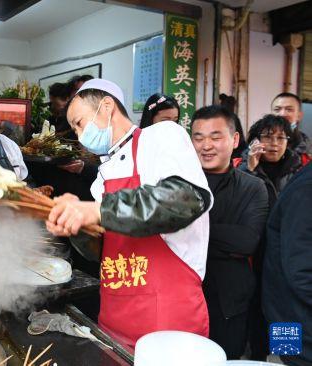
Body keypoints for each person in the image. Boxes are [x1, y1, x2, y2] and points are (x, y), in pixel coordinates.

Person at [45, 79, 213, 347]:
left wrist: (97, 210)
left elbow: (185, 201)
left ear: (107, 106)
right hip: (114, 317)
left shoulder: (161, 136)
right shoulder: (102, 176)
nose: (78, 135)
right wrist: (75, 226)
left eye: (79, 123)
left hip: (165, 322)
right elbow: (99, 251)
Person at [190, 105, 269, 359]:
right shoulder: (178, 184)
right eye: (198, 137)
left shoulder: (253, 187)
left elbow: (247, 242)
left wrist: (187, 227)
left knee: (225, 359)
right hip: (184, 296)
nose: (206, 145)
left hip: (230, 302)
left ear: (235, 140)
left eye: (216, 137)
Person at [235, 114, 309, 360]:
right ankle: (257, 356)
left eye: (281, 138)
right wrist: (249, 169)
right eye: (268, 137)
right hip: (252, 258)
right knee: (257, 313)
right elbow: (235, 206)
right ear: (256, 140)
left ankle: (282, 356)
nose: (275, 143)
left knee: (284, 312)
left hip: (282, 256)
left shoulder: (299, 170)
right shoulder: (241, 167)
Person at [262, 163, 312, 366]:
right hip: (292, 322)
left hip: (292, 313)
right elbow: (300, 271)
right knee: (286, 359)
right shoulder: (306, 190)